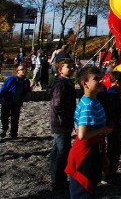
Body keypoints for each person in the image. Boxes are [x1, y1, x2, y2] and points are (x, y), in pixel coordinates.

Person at [65, 66, 112, 198]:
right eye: (96, 79)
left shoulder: (91, 101)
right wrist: (103, 130)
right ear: (84, 83)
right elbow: (82, 134)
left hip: (92, 151)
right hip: (84, 156)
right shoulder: (88, 105)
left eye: (100, 78)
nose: (101, 81)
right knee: (83, 193)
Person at [49, 58, 77, 191]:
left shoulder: (66, 83)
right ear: (60, 70)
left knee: (58, 150)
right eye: (68, 67)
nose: (71, 69)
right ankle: (58, 181)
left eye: (72, 66)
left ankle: (57, 179)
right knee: (62, 151)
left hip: (62, 121)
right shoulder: (61, 84)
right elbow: (57, 105)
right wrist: (68, 116)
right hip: (61, 122)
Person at [98, 70, 121, 184]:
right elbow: (112, 111)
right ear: (117, 82)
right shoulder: (111, 95)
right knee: (113, 150)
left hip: (114, 125)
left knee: (114, 149)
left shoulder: (114, 93)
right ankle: (108, 174)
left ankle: (111, 172)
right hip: (113, 126)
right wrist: (119, 120)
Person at [0, 64, 31, 139]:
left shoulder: (26, 81)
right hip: (7, 101)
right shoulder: (12, 79)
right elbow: (3, 89)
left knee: (15, 118)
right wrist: (1, 98)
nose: (24, 71)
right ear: (17, 71)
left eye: (25, 69)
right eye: (21, 69)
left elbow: (27, 91)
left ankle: (13, 134)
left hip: (17, 102)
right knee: (4, 117)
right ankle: (4, 129)